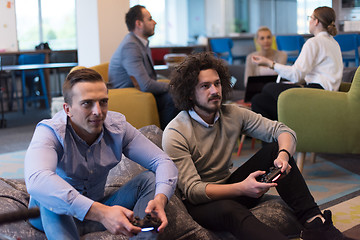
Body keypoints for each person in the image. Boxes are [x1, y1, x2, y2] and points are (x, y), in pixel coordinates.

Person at [162, 52, 348, 240]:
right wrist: (241, 188)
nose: (214, 91)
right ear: (189, 93)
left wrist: (283, 155)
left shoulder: (233, 114)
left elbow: (283, 131)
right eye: (205, 86)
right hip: (200, 203)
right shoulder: (176, 133)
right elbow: (194, 191)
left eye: (217, 83)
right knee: (229, 210)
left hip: (231, 185)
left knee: (275, 150)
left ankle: (316, 224)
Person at [24, 68, 178, 239]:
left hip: (98, 209)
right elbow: (36, 179)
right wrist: (102, 213)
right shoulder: (50, 131)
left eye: (103, 102)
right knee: (50, 194)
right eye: (87, 103)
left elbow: (162, 161)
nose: (98, 111)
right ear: (67, 109)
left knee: (149, 179)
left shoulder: (117, 127)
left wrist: (161, 198)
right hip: (55, 215)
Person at [251, 6, 343, 120]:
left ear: (316, 21)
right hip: (328, 94)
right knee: (259, 100)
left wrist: (271, 64)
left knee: (268, 88)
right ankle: (283, 129)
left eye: (310, 18)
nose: (309, 21)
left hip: (316, 93)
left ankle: (281, 131)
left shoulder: (313, 42)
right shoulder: (334, 43)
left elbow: (296, 75)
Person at [109, 5, 178, 130]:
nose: (155, 22)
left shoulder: (139, 42)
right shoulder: (131, 46)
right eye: (150, 19)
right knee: (173, 97)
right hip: (130, 94)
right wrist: (174, 86)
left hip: (138, 91)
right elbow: (145, 85)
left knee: (177, 93)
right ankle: (167, 139)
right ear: (139, 24)